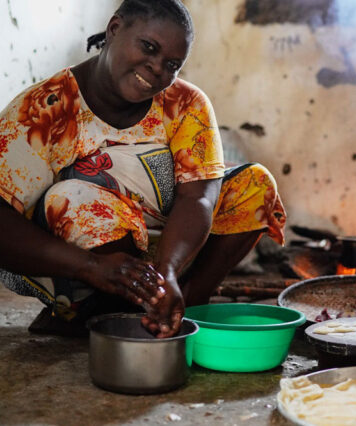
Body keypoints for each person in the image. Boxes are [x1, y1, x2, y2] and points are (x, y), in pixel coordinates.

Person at [0, 0, 286, 338]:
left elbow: (198, 199)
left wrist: (167, 272)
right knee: (76, 195)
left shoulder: (186, 104)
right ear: (115, 28)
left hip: (166, 252)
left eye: (172, 64)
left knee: (255, 183)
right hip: (77, 261)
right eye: (148, 48)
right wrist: (91, 266)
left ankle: (187, 304)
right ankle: (95, 309)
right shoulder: (42, 110)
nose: (157, 70)